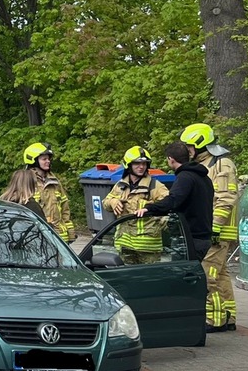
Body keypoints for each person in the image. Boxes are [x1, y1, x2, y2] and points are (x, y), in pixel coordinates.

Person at [180, 123, 240, 332]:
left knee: (208, 275)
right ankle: (228, 316)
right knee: (221, 274)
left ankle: (214, 320)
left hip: (217, 230)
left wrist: (213, 228)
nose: (187, 150)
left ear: (199, 144)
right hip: (213, 229)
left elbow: (225, 199)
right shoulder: (206, 163)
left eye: (189, 146)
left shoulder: (221, 164)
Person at [135, 140, 214, 272]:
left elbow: (173, 201)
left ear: (171, 159)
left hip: (189, 238)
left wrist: (150, 208)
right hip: (203, 237)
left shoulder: (185, 177)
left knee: (181, 277)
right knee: (191, 274)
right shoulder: (203, 177)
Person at [102, 146, 170, 264]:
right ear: (128, 165)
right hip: (124, 244)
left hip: (148, 247)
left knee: (148, 280)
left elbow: (169, 205)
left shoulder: (155, 186)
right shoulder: (121, 185)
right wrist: (112, 202)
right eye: (137, 164)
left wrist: (160, 219)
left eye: (144, 164)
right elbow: (105, 202)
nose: (141, 167)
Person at [24, 142, 75, 241]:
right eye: (44, 159)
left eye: (48, 159)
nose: (48, 161)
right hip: (37, 236)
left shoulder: (55, 181)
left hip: (60, 236)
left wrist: (70, 232)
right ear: (33, 160)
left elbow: (65, 208)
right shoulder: (26, 182)